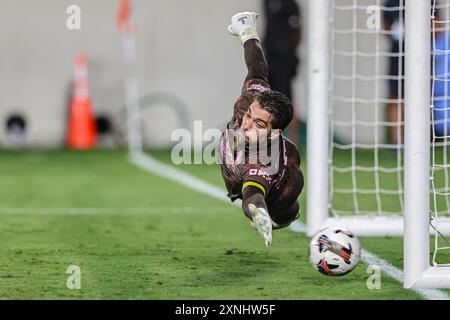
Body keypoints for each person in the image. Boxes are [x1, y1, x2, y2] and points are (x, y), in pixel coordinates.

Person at [219, 12, 304, 246]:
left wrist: (259, 213)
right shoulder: (251, 100)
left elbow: (253, 196)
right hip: (233, 159)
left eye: (258, 124)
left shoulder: (265, 161)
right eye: (249, 116)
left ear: (274, 134)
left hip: (268, 187)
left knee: (286, 210)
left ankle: (282, 214)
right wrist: (247, 33)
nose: (246, 125)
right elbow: (257, 67)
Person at [262, 0, 302, 145]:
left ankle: (294, 142)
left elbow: (297, 30)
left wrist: (288, 51)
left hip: (284, 57)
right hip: (270, 55)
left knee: (288, 100)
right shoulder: (266, 2)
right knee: (267, 100)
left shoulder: (289, 3)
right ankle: (268, 142)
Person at [382, 0, 405, 145]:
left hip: (423, 57)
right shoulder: (391, 2)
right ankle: (397, 141)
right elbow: (384, 28)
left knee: (423, 97)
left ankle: (423, 137)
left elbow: (437, 26)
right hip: (396, 57)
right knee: (395, 96)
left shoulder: (429, 2)